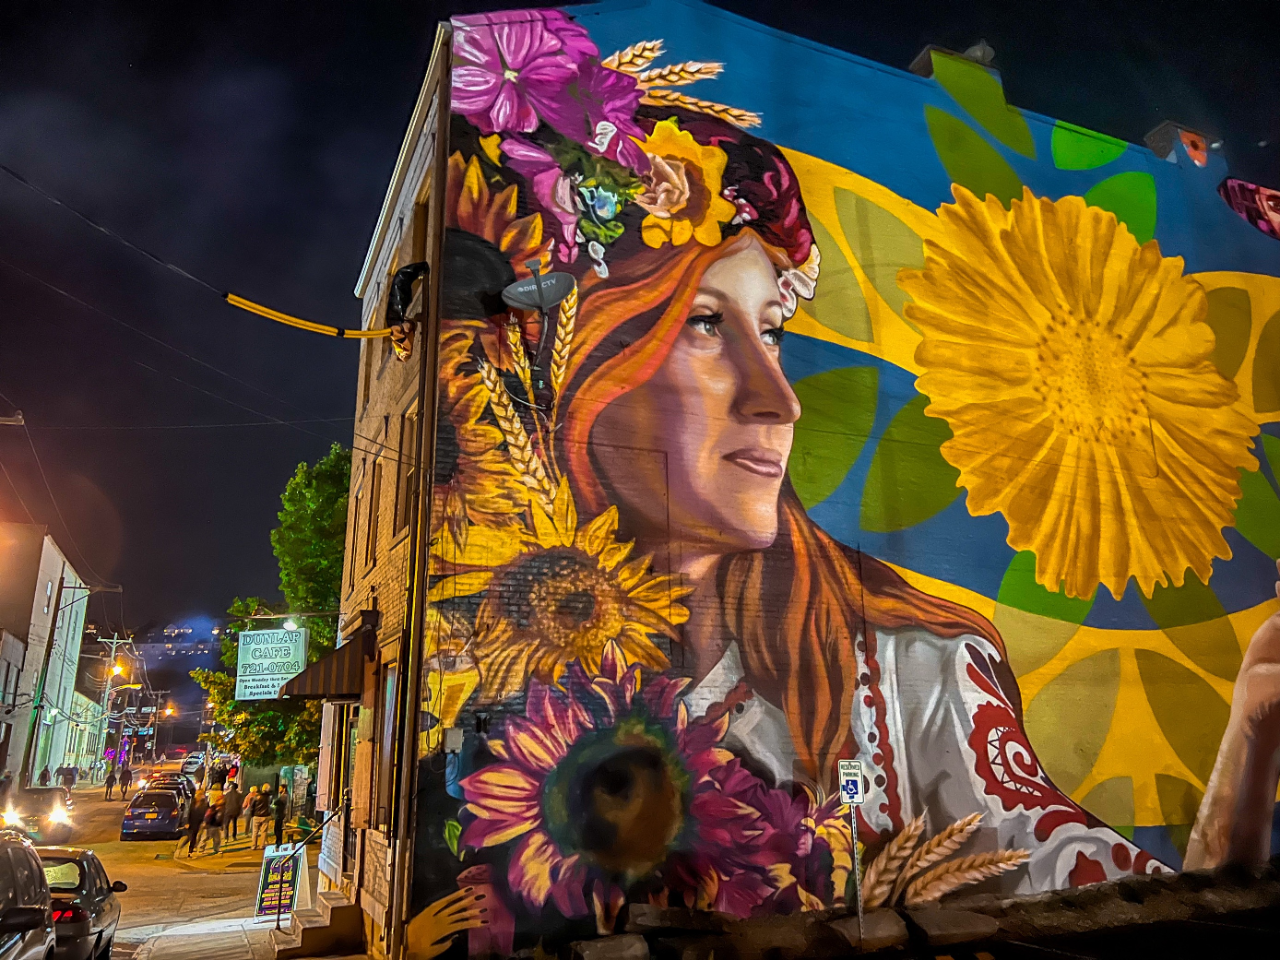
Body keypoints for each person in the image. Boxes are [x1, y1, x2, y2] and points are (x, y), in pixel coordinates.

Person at [421, 40, 1280, 914]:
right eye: (708, 325)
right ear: (589, 359)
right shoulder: (495, 670)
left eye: (775, 330)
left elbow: (1125, 907)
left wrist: (1249, 730)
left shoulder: (915, 674)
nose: (779, 399)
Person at [179, 789, 207, 858]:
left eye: (201, 794)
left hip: (200, 822)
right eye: (198, 794)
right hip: (192, 821)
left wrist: (204, 822)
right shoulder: (193, 802)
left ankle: (191, 851)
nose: (199, 796)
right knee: (191, 837)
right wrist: (187, 822)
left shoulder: (205, 803)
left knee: (196, 837)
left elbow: (206, 813)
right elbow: (189, 812)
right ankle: (184, 849)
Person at [203, 788, 225, 855]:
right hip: (211, 824)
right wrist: (206, 822)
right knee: (206, 837)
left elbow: (221, 817)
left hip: (216, 825)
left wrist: (221, 825)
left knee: (217, 839)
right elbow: (208, 815)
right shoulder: (213, 807)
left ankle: (216, 849)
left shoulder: (222, 808)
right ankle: (201, 848)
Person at [272, 784, 289, 849]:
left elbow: (276, 802)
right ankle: (278, 842)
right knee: (277, 829)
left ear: (284, 789)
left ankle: (279, 842)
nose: (279, 789)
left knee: (278, 829)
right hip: (279, 814)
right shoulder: (282, 796)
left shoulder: (284, 796)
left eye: (280, 788)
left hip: (280, 815)